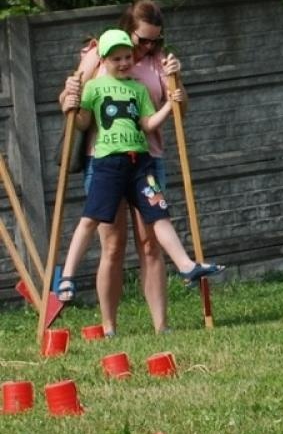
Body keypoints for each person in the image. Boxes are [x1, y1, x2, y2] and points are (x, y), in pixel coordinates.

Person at [58, 30, 223, 302]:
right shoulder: (94, 86)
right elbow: (84, 122)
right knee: (91, 219)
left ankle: (186, 266)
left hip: (141, 165)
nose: (123, 63)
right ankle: (67, 276)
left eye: (126, 58)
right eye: (116, 59)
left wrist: (170, 105)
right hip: (108, 164)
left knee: (159, 214)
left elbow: (147, 125)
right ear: (104, 60)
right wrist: (71, 108)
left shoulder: (138, 88)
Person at [55, 0, 184, 331]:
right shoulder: (97, 54)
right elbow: (73, 101)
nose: (149, 47)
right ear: (128, 32)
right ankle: (109, 325)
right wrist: (66, 99)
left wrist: (177, 85)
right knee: (112, 245)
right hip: (105, 161)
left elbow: (177, 111)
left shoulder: (159, 63)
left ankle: (161, 325)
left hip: (148, 159)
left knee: (150, 242)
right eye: (143, 40)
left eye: (156, 39)